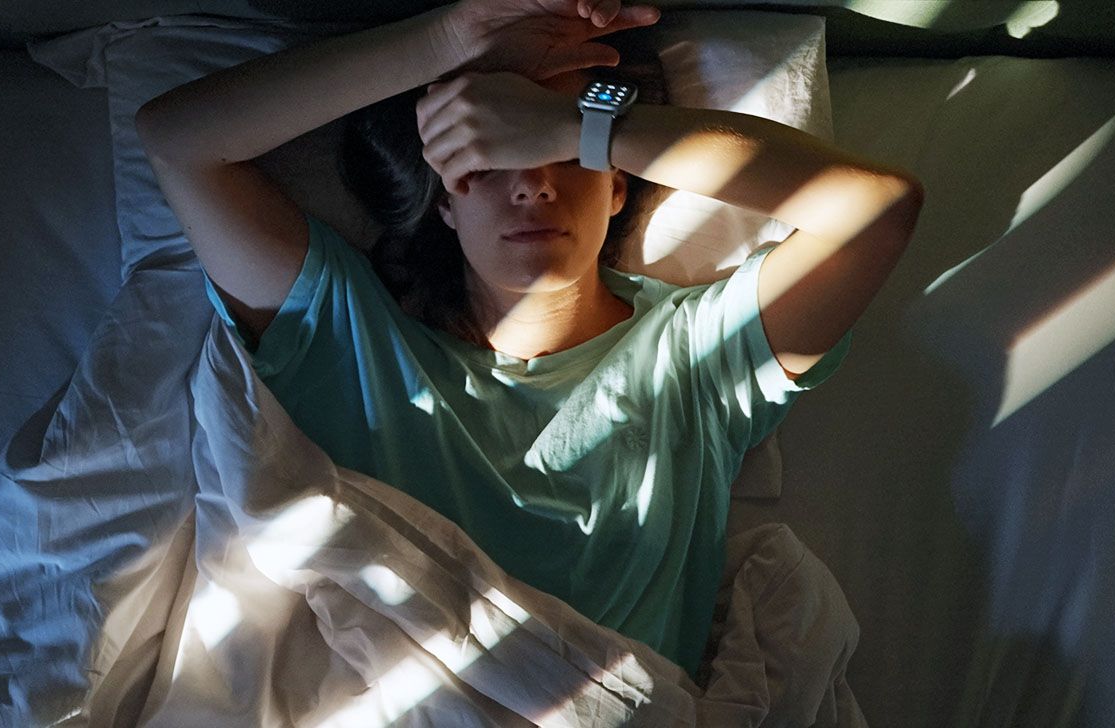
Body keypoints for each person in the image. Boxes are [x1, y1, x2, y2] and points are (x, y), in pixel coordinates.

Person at [134, 0, 924, 680]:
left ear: (618, 186)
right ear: (442, 201)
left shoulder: (696, 357)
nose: (534, 180)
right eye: (487, 153)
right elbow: (178, 140)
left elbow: (876, 210)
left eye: (562, 155)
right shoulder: (351, 340)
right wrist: (450, 39)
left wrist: (581, 122)